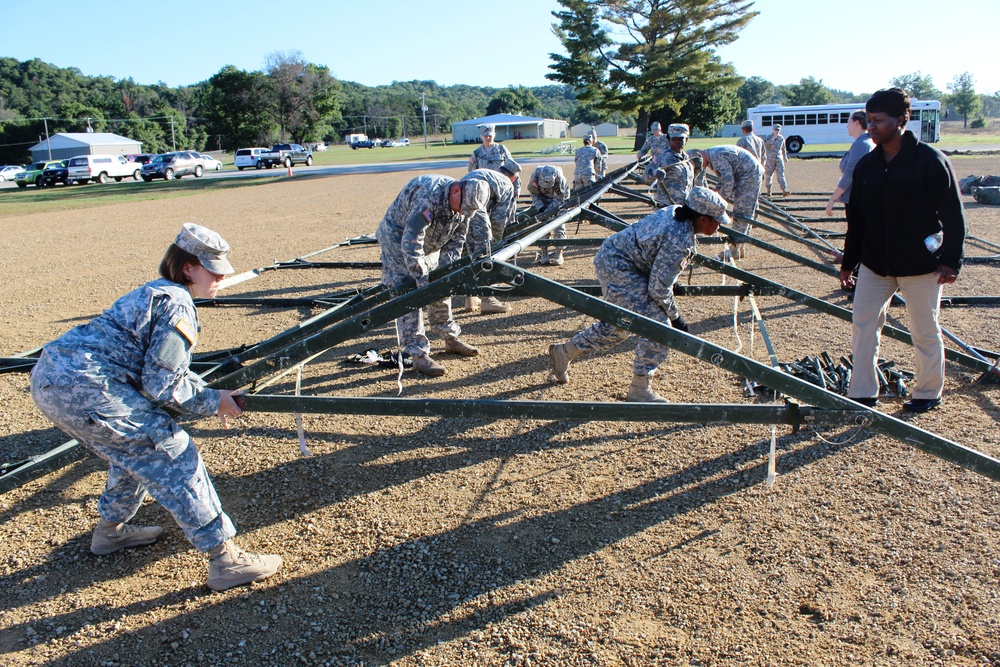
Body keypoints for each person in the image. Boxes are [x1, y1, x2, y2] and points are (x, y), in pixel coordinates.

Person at [28, 224, 282, 592]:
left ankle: (110, 533)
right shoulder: (177, 303)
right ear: (188, 268)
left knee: (131, 449)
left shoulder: (155, 291)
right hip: (86, 388)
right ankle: (225, 560)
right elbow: (161, 383)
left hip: (54, 380)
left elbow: (162, 371)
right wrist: (216, 402)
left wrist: (210, 393)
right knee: (170, 450)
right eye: (213, 268)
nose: (222, 275)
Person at [840, 88, 966, 413]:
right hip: (875, 263)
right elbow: (857, 220)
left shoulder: (930, 161)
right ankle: (863, 393)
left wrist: (951, 260)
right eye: (869, 120)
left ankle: (927, 392)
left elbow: (953, 214)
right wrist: (849, 262)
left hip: (921, 264)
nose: (872, 126)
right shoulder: (867, 166)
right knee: (864, 324)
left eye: (879, 121)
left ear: (902, 119)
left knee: (924, 329)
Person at [547, 187, 730, 402]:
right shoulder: (679, 239)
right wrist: (675, 316)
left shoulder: (676, 212)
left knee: (618, 326)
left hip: (619, 260)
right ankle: (640, 389)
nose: (719, 226)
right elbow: (658, 289)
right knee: (658, 326)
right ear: (702, 219)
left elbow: (656, 256)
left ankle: (564, 352)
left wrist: (671, 280)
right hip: (620, 267)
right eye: (716, 221)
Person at [375, 174, 491, 377]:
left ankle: (450, 338)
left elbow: (457, 241)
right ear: (456, 191)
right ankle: (418, 355)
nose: (463, 213)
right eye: (462, 208)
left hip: (428, 245)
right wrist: (422, 279)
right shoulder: (428, 197)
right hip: (397, 239)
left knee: (439, 284)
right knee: (410, 291)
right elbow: (410, 241)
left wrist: (444, 274)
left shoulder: (465, 204)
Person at [459, 163, 520, 314]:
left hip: (458, 202)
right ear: (513, 177)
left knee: (467, 252)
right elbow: (499, 220)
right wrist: (497, 244)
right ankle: (488, 299)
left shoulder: (487, 174)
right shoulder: (506, 184)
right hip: (476, 206)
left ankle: (471, 297)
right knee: (485, 253)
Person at [692, 145, 763, 256]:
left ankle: (735, 248)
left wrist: (718, 198)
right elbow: (725, 176)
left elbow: (728, 182)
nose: (700, 168)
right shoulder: (712, 155)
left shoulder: (715, 157)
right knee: (743, 212)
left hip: (749, 175)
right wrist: (717, 189)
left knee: (742, 212)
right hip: (745, 173)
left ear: (700, 157)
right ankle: (739, 247)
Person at [825, 110, 875, 218]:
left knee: (856, 233)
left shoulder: (861, 145)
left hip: (857, 199)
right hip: (858, 197)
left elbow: (850, 175)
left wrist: (832, 199)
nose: (847, 126)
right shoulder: (865, 142)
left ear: (857, 123)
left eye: (849, 122)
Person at [527, 165, 571, 265]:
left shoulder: (561, 180)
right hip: (542, 199)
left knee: (559, 225)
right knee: (542, 226)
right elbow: (533, 193)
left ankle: (559, 253)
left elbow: (559, 200)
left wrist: (548, 211)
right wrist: (541, 208)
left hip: (558, 202)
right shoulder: (536, 175)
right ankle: (544, 253)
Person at [648, 123, 696, 206]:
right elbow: (646, 177)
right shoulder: (663, 157)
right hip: (667, 207)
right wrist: (655, 173)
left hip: (684, 206)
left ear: (686, 140)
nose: (677, 141)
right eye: (674, 139)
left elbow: (688, 181)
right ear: (669, 139)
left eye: (680, 139)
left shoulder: (686, 158)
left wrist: (697, 169)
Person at [469, 124, 520, 194]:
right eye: (485, 136)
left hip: (501, 187)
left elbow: (513, 168)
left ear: (494, 135)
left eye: (490, 136)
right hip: (484, 189)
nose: (487, 138)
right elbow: (472, 174)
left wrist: (517, 188)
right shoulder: (477, 153)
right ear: (481, 136)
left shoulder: (502, 150)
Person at [762, 123, 790, 196]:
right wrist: (772, 139)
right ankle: (769, 191)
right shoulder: (768, 137)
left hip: (778, 159)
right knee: (768, 175)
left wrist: (785, 157)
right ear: (773, 130)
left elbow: (783, 148)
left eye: (778, 130)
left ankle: (784, 190)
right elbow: (765, 146)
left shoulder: (781, 138)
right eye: (776, 129)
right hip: (770, 159)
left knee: (781, 174)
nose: (777, 131)